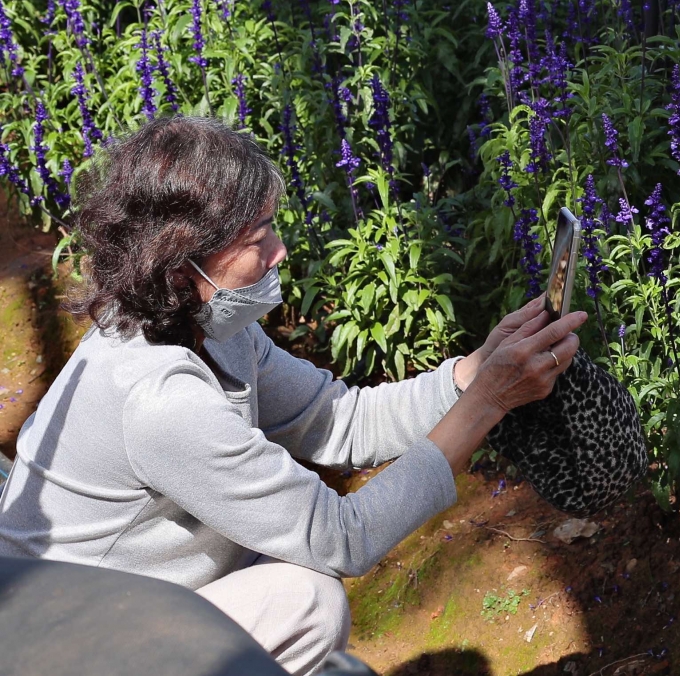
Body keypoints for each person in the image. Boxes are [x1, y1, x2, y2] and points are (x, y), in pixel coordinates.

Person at [0, 116, 587, 675]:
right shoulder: (159, 401)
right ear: (182, 267)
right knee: (305, 600)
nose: (279, 251)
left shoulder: (201, 324)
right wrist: (487, 404)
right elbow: (343, 537)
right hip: (62, 647)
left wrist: (470, 374)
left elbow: (337, 420)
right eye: (258, 238)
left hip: (133, 602)